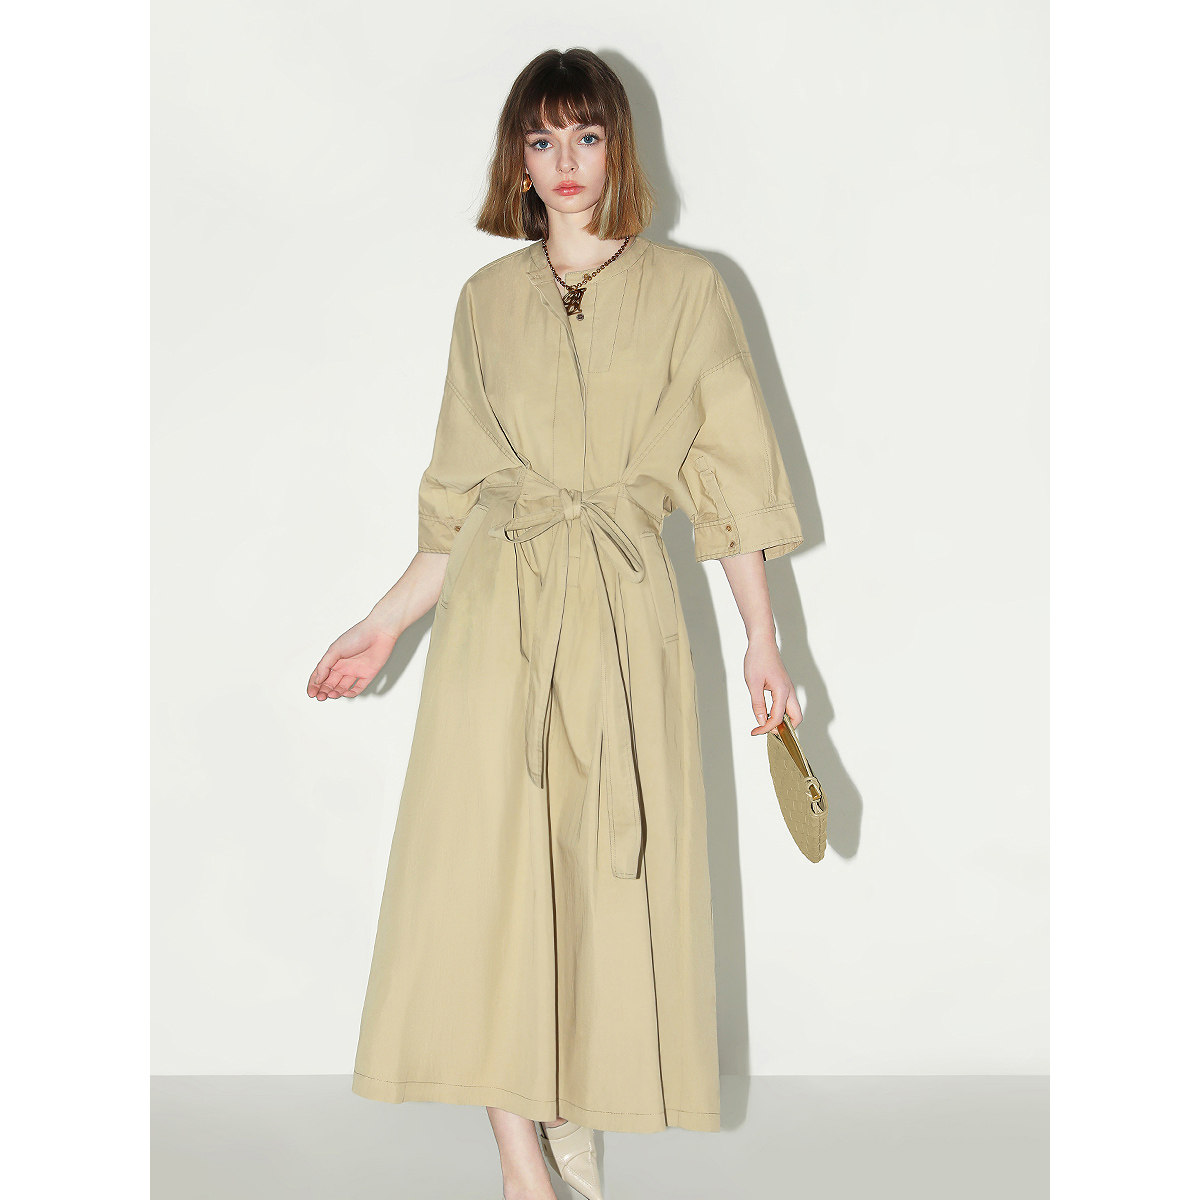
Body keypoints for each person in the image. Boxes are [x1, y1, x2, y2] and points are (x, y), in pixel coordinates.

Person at [307, 47, 805, 1200]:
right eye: (542, 139)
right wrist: (384, 625)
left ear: (618, 148)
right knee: (493, 874)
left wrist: (762, 640)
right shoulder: (485, 303)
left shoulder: (691, 291)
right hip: (500, 620)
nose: (565, 161)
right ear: (516, 160)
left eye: (586, 135)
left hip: (628, 618)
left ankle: (567, 1102)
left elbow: (729, 486)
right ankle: (518, 1154)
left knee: (597, 878)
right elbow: (459, 502)